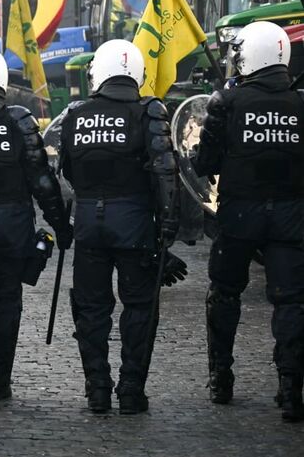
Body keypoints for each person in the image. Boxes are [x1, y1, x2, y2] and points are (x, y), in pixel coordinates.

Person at [59, 39, 180, 414]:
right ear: (137, 76)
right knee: (140, 308)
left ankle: (97, 389)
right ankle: (130, 391)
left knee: (91, 310)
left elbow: (66, 169)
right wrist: (167, 232)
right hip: (135, 225)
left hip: (89, 227)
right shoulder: (149, 111)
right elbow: (166, 173)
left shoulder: (76, 114)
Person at [192, 21, 304, 422]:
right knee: (291, 301)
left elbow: (205, 163)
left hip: (239, 216)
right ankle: (291, 390)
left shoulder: (227, 102)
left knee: (224, 293)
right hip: (292, 218)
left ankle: (221, 378)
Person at [0, 45, 71, 408]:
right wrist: (60, 225)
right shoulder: (19, 121)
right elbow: (43, 180)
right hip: (13, 225)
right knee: (7, 302)